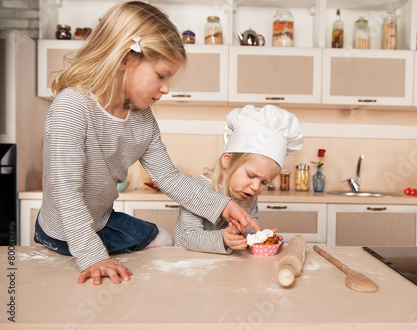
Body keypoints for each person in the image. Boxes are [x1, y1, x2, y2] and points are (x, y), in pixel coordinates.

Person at [34, 1, 259, 286]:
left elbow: (168, 177)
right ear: (126, 59)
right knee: (135, 254)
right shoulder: (71, 108)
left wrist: (223, 205)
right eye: (161, 76)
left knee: (163, 239)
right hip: (62, 229)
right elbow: (67, 195)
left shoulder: (142, 119)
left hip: (101, 221)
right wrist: (93, 257)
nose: (166, 88)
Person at [175, 104, 304, 254]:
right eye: (251, 175)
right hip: (188, 262)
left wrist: (261, 238)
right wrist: (222, 239)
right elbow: (187, 237)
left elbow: (248, 228)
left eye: (264, 182)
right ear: (227, 160)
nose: (256, 187)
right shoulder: (197, 188)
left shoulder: (247, 194)